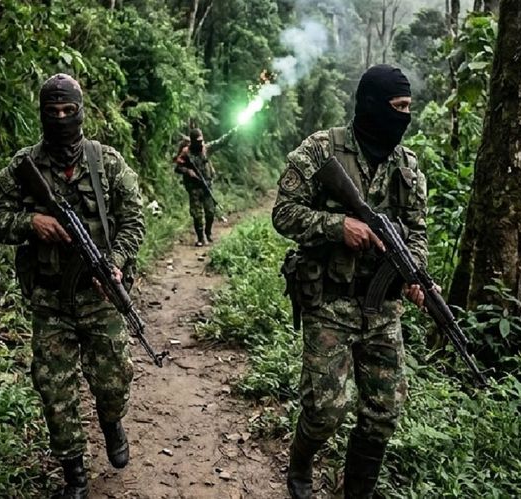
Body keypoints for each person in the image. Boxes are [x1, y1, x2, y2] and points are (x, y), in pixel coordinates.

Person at [272, 64, 429, 499]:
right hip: (329, 301)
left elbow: (416, 233)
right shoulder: (322, 150)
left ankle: (357, 491)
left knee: (384, 411)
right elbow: (282, 213)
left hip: (382, 310)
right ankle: (300, 463)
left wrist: (414, 274)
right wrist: (336, 226)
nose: (405, 117)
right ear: (373, 105)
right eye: (398, 107)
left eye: (409, 108)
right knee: (324, 410)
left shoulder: (408, 168)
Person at [0, 74, 145, 498]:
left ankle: (112, 423)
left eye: (67, 111)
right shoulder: (26, 166)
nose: (60, 119)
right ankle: (75, 474)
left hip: (99, 293)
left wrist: (114, 262)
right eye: (52, 112)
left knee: (113, 382)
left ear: (80, 111)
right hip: (50, 298)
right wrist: (31, 222)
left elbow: (134, 219)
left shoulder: (107, 162)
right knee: (54, 387)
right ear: (42, 113)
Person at [174, 127, 233, 246]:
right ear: (193, 141)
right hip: (194, 187)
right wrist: (188, 171)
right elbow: (178, 167)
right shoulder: (186, 153)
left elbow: (221, 142)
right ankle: (200, 238)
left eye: (202, 140)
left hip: (207, 186)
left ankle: (208, 232)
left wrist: (232, 132)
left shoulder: (206, 149)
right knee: (197, 214)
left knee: (210, 212)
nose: (201, 143)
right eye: (198, 141)